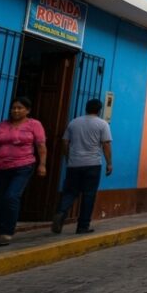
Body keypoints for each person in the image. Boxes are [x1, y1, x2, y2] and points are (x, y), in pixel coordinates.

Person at [51, 99, 113, 235]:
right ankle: (83, 226)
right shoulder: (102, 124)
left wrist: (68, 157)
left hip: (74, 164)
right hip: (92, 164)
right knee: (89, 195)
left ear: (86, 108)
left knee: (70, 192)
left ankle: (61, 212)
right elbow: (106, 144)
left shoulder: (74, 122)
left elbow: (65, 141)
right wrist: (109, 163)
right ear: (99, 110)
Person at [0, 97, 47, 246]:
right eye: (14, 108)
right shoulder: (2, 125)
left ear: (27, 110)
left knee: (11, 197)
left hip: (23, 166)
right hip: (0, 167)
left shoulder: (34, 124)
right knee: (0, 199)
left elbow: (41, 146)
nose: (16, 111)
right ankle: (0, 231)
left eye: (20, 108)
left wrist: (42, 165)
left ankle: (7, 232)